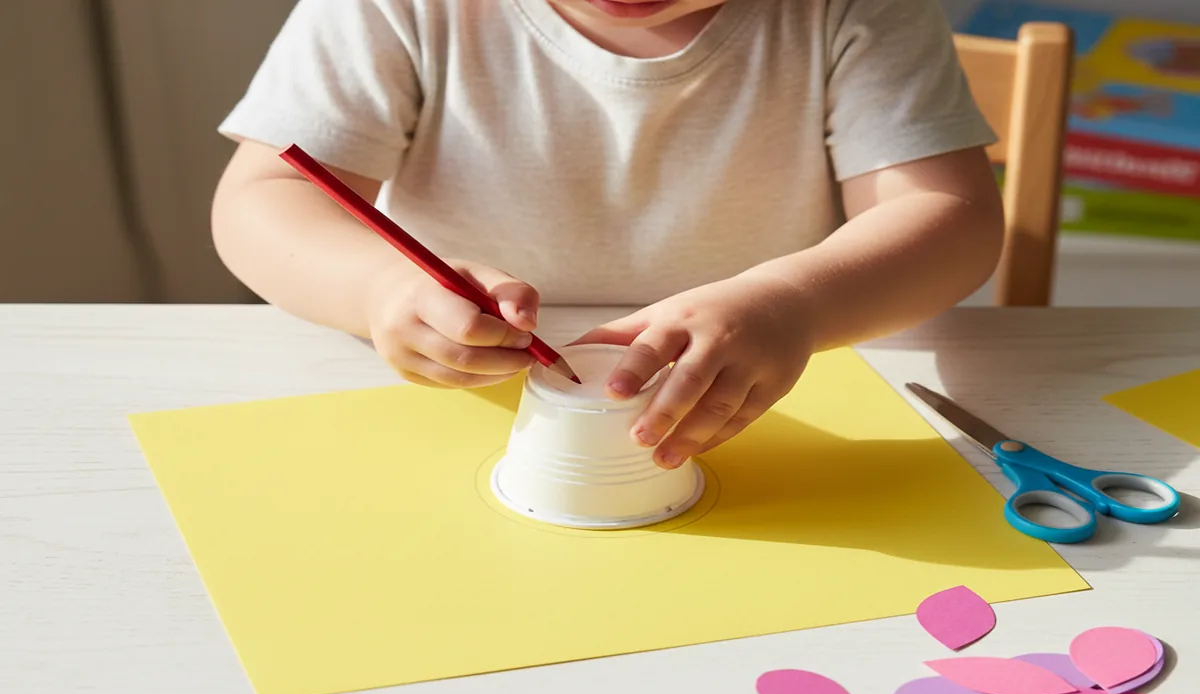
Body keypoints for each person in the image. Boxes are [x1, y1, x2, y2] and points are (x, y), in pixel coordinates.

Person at [212, 0, 1004, 470]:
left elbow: (952, 218)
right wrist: (378, 290)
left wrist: (795, 304)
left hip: (773, 401)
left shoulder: (856, 9)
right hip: (447, 410)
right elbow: (265, 199)